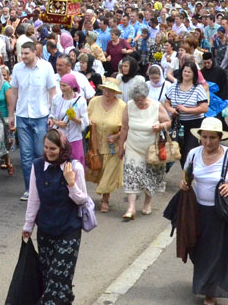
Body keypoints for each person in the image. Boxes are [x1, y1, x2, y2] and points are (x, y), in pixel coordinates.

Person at [22, 130, 89, 305]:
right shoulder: (37, 167)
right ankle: (63, 299)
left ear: (63, 149)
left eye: (54, 149)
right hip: (46, 230)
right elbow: (34, 199)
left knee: (58, 277)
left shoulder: (74, 167)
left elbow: (82, 200)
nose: (49, 153)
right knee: (51, 275)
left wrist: (71, 183)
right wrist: (27, 226)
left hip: (69, 230)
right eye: (46, 148)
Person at [180, 116, 228, 305]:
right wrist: (184, 183)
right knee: (198, 250)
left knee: (215, 253)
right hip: (197, 211)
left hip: (221, 214)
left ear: (220, 137)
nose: (208, 142)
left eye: (212, 138)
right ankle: (206, 282)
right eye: (204, 137)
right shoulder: (194, 154)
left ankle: (210, 291)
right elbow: (187, 174)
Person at [118, 79, 172, 220]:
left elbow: (168, 122)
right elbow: (124, 127)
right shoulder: (129, 106)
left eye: (140, 100)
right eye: (135, 100)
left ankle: (147, 203)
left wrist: (160, 126)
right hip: (133, 146)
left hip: (151, 149)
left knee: (150, 175)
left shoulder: (155, 105)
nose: (137, 103)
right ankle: (131, 208)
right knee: (131, 174)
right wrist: (120, 146)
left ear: (145, 96)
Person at [12, 41, 59, 201]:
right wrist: (11, 115)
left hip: (41, 116)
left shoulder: (46, 67)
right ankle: (29, 189)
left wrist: (52, 115)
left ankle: (44, 187)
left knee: (41, 153)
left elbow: (52, 92)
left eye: (26, 53)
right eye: (21, 53)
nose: (23, 56)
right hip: (22, 116)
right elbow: (14, 92)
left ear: (34, 53)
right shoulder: (17, 68)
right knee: (26, 155)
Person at [85, 77, 125, 212]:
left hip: (114, 146)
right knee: (99, 172)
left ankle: (105, 200)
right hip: (96, 144)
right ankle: (102, 194)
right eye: (106, 89)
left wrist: (117, 136)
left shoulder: (122, 106)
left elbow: (127, 127)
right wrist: (88, 123)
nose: (107, 93)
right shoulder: (94, 102)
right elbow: (85, 117)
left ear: (116, 92)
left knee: (109, 173)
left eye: (111, 90)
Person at [48, 73, 87, 165]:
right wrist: (57, 123)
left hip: (75, 138)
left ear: (72, 86)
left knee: (75, 165)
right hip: (60, 138)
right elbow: (51, 115)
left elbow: (85, 121)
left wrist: (74, 119)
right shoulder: (56, 99)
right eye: (60, 85)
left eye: (64, 85)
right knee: (60, 165)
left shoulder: (80, 100)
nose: (61, 88)